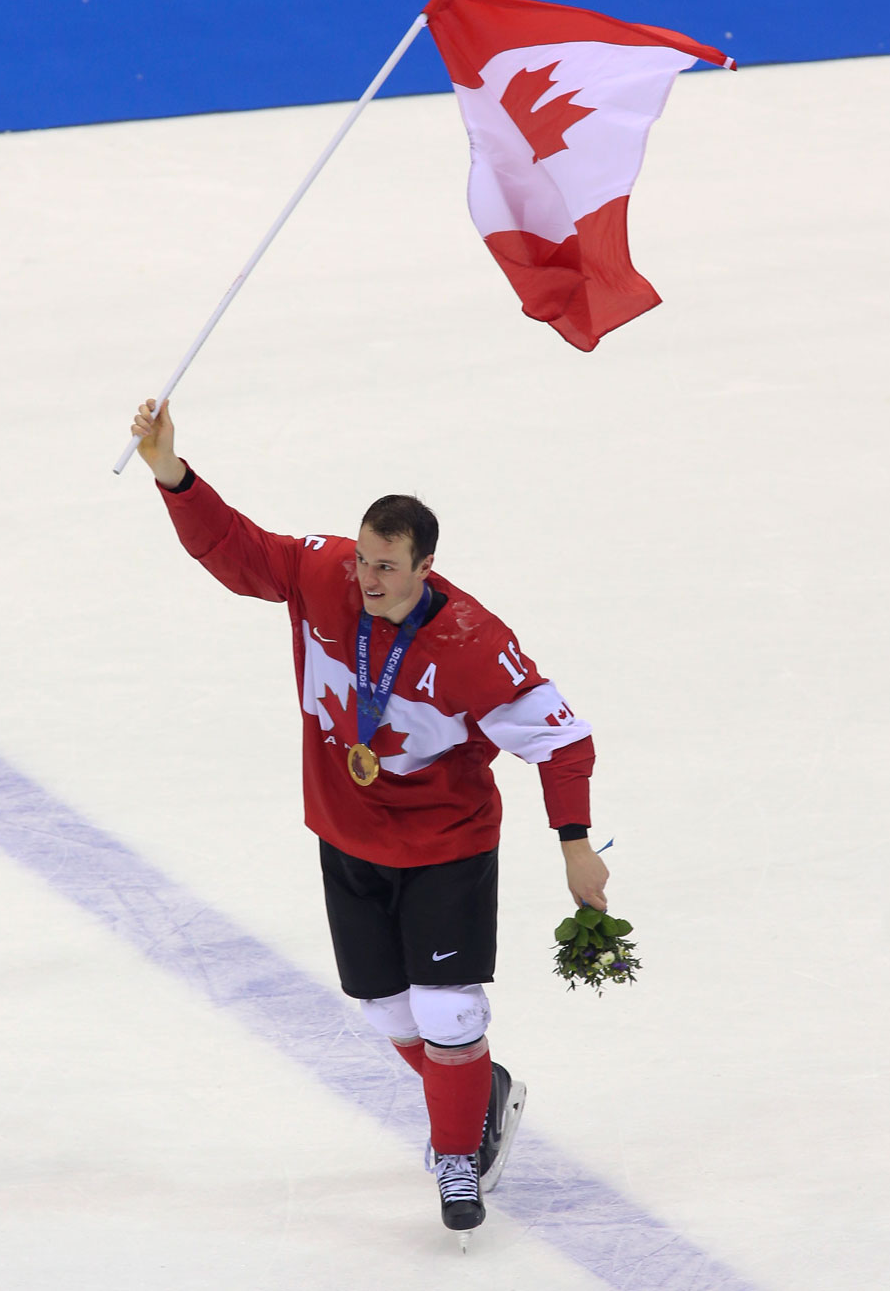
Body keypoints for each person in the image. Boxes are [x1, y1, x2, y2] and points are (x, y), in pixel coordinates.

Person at [131, 398, 609, 1246]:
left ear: (426, 565)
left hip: (445, 848)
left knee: (449, 1013)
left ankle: (457, 1157)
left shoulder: (471, 644)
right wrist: (172, 472)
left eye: (386, 566)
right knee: (387, 1015)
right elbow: (238, 552)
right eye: (362, 560)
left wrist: (576, 851)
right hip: (345, 836)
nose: (368, 579)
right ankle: (475, 1093)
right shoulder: (324, 578)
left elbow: (562, 743)